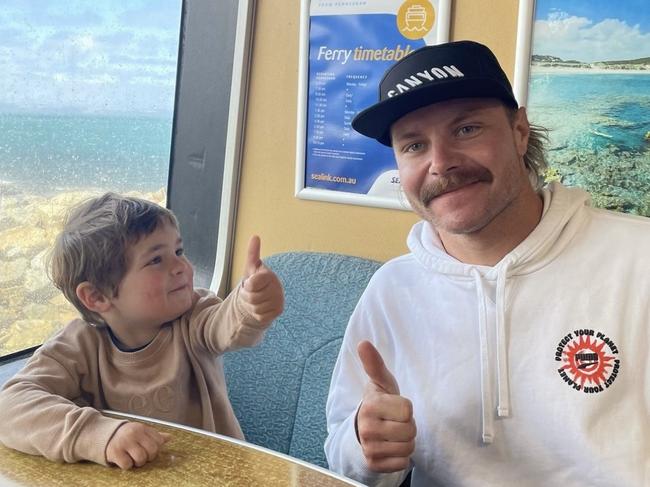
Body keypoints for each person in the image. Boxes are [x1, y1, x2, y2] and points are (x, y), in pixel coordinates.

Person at [324, 40, 650, 486]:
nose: (441, 164)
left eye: (466, 130)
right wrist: (366, 443)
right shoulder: (391, 291)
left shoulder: (638, 258)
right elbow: (344, 453)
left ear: (520, 132)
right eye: (415, 145)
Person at [0, 193, 284, 469]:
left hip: (218, 476)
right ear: (97, 297)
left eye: (178, 251)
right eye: (156, 260)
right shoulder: (79, 344)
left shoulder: (194, 316)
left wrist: (249, 303)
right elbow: (9, 406)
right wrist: (99, 434)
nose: (182, 267)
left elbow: (225, 324)